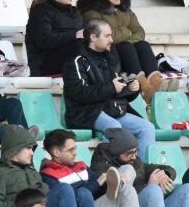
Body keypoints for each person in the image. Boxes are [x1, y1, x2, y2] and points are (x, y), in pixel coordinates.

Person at [62, 17, 154, 151]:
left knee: (147, 128)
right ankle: (106, 167)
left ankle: (144, 169)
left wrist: (132, 89)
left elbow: (117, 90)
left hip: (112, 109)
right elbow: (80, 93)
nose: (111, 40)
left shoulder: (111, 58)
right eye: (107, 36)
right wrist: (111, 87)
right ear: (93, 37)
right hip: (85, 112)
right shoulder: (76, 61)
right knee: (114, 127)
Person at [77, 0, 165, 103]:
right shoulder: (92, 11)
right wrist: (126, 33)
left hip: (126, 51)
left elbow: (140, 32)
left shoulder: (125, 10)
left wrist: (125, 38)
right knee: (126, 47)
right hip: (105, 54)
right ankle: (144, 87)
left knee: (142, 45)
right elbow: (104, 36)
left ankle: (156, 82)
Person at [26, 0, 83, 77]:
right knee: (79, 46)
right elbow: (44, 40)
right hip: (45, 63)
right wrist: (74, 35)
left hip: (69, 59)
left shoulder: (75, 12)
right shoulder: (41, 10)